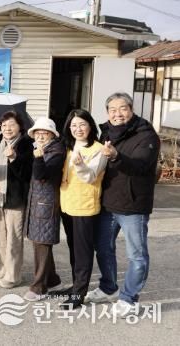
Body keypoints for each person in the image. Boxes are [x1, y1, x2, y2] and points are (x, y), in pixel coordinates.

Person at [85, 92, 160, 317]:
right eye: (112, 110)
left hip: (133, 205)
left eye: (122, 108)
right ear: (107, 112)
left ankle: (129, 299)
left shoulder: (146, 135)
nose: (117, 114)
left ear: (131, 109)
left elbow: (141, 166)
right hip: (108, 202)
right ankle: (109, 287)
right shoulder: (107, 132)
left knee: (136, 254)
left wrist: (116, 156)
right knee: (103, 248)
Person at [57, 109, 107, 309]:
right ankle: (75, 285)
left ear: (90, 126)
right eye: (74, 125)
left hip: (85, 206)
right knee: (73, 249)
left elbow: (90, 176)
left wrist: (80, 165)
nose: (78, 129)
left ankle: (79, 293)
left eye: (82, 124)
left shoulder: (98, 149)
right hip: (67, 204)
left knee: (83, 252)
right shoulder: (68, 147)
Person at [0, 111, 34, 289]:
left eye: (12, 125)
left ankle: (13, 276)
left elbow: (27, 174)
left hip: (16, 197)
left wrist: (14, 158)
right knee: (0, 236)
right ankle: (3, 269)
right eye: (4, 125)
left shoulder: (26, 144)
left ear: (20, 127)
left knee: (14, 238)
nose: (7, 128)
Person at [23, 117, 65, 301]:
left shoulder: (56, 151)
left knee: (42, 244)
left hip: (46, 204)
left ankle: (39, 288)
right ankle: (53, 280)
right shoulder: (42, 149)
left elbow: (41, 175)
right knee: (41, 242)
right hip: (38, 202)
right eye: (37, 133)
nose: (40, 136)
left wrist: (39, 158)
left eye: (45, 133)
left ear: (52, 135)